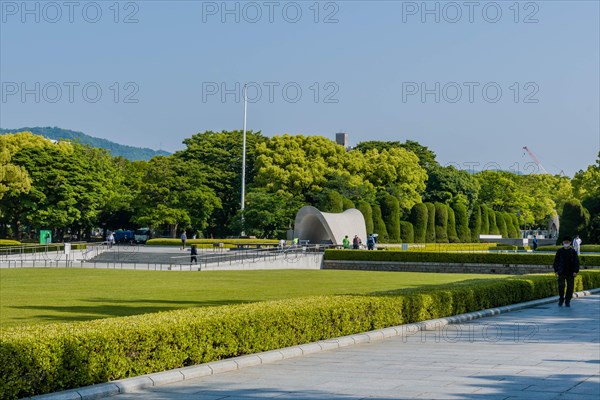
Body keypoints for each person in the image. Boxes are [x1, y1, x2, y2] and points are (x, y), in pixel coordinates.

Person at [553, 237, 580, 307]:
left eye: (567, 242)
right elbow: (556, 261)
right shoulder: (560, 251)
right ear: (563, 242)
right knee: (561, 286)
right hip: (561, 272)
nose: (566, 243)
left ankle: (567, 301)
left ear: (570, 242)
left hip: (570, 272)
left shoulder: (573, 251)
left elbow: (576, 262)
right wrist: (556, 270)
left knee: (570, 287)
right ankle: (561, 299)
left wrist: (575, 271)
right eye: (565, 242)